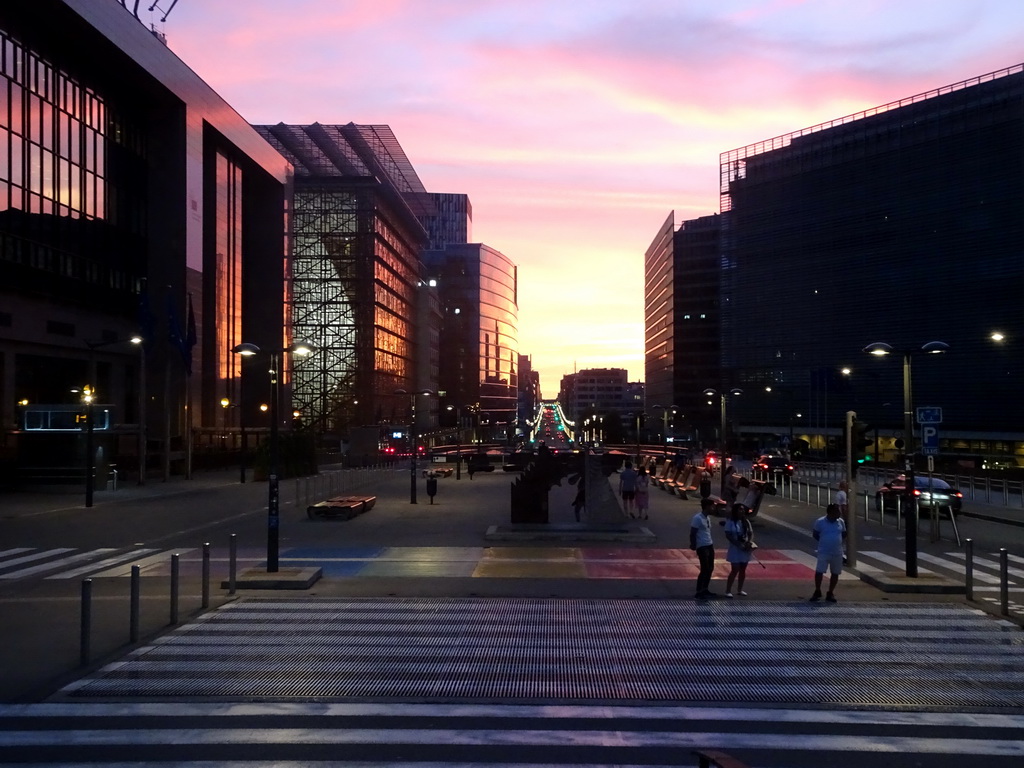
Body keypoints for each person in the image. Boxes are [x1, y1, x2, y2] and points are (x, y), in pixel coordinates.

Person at [811, 503, 847, 603]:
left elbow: (844, 533)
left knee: (835, 572)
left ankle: (830, 592)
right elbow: (815, 534)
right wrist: (825, 541)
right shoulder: (820, 522)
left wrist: (836, 542)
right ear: (830, 512)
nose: (839, 512)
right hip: (824, 551)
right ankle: (817, 590)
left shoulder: (841, 522)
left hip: (837, 552)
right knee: (819, 571)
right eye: (837, 511)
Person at [724, 503, 753, 597]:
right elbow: (728, 535)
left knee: (743, 569)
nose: (742, 511)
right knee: (735, 569)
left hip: (745, 548)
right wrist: (737, 544)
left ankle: (740, 589)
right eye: (740, 509)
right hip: (735, 548)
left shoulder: (746, 521)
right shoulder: (730, 521)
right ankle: (728, 590)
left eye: (743, 509)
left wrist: (749, 542)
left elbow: (750, 533)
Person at [690, 497, 717, 598]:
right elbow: (693, 533)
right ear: (707, 507)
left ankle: (705, 588)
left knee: (710, 568)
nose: (713, 508)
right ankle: (699, 590)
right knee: (705, 568)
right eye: (712, 506)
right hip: (702, 546)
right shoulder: (697, 518)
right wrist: (693, 544)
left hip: (709, 544)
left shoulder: (707, 518)